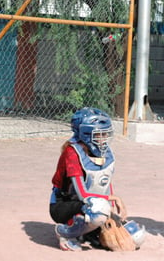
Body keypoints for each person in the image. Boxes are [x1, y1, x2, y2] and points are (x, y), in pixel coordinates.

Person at [49, 107, 145, 251]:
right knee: (98, 209)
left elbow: (105, 182)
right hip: (65, 205)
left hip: (91, 204)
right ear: (85, 134)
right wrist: (115, 198)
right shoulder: (72, 153)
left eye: (106, 134)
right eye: (99, 134)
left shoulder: (105, 152)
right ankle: (65, 232)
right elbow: (82, 195)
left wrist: (112, 215)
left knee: (135, 235)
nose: (104, 138)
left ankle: (89, 232)